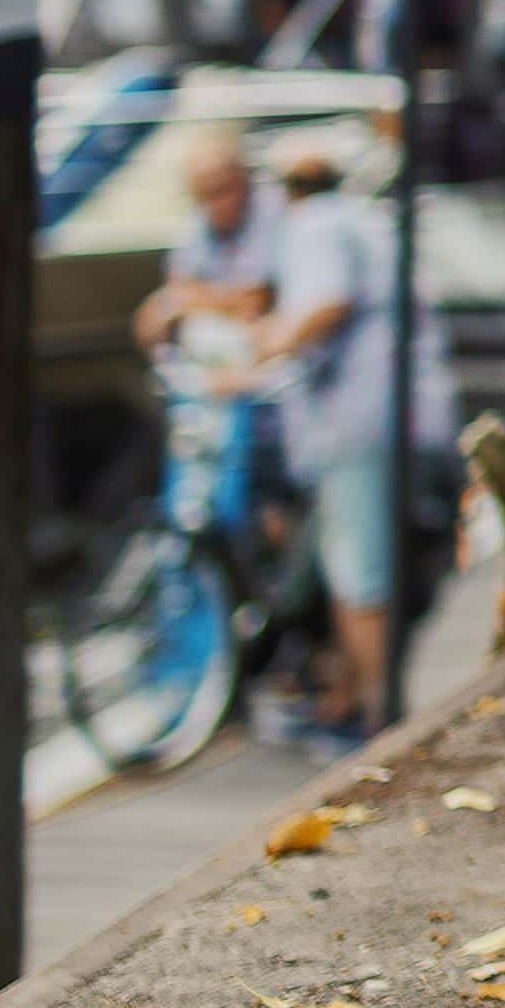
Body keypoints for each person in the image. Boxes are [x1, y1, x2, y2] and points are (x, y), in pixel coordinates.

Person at [250, 126, 443, 745]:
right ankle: (352, 699)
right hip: (412, 410)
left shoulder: (315, 227)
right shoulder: (368, 220)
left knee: (359, 571)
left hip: (357, 419)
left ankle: (378, 719)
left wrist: (263, 346)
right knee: (371, 561)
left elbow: (325, 303)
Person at [133, 125, 279, 359]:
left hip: (263, 342)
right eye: (202, 194)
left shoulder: (272, 212)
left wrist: (187, 301)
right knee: (151, 324)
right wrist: (191, 301)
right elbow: (178, 285)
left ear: (242, 177)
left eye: (221, 190)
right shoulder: (199, 220)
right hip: (220, 333)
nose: (214, 204)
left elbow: (256, 299)